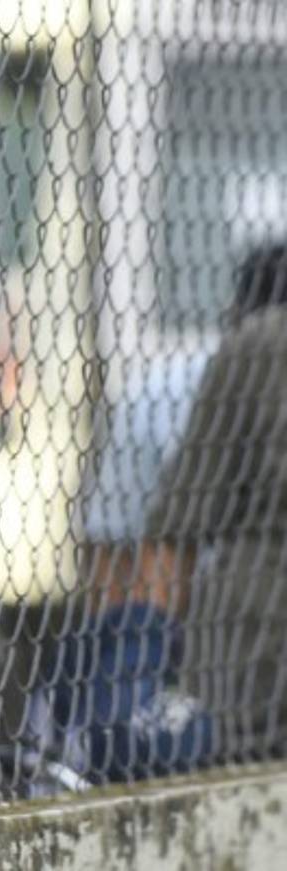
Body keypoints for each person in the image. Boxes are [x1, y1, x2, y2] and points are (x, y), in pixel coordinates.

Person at [32, 243, 287, 784]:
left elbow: (123, 556)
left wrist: (131, 675)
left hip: (231, 668)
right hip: (236, 663)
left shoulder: (191, 374)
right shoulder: (226, 366)